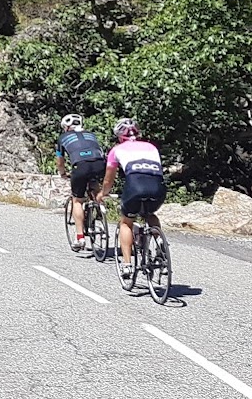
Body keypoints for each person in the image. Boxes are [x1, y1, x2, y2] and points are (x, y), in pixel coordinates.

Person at [96, 118, 167, 278]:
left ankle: (127, 265)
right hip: (157, 187)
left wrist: (103, 193)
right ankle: (160, 243)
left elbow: (108, 180)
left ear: (120, 136)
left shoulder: (116, 150)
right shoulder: (151, 147)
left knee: (126, 223)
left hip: (135, 186)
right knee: (150, 214)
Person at [54, 113, 107, 252]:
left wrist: (63, 173)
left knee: (77, 200)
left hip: (80, 166)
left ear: (66, 127)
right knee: (93, 183)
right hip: (100, 164)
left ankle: (80, 237)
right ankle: (100, 206)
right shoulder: (91, 134)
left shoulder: (62, 138)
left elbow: (60, 161)